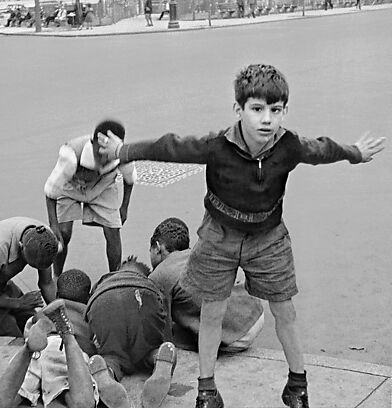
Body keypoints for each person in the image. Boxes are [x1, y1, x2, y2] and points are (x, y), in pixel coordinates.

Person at [97, 63, 385, 408]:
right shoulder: (216, 146)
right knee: (212, 311)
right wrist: (121, 151)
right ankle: (206, 391)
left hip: (268, 236)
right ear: (239, 110)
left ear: (285, 112)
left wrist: (355, 153)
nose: (267, 119)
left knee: (285, 310)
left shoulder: (289, 145)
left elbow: (322, 150)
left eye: (275, 111)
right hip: (220, 235)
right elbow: (169, 147)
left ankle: (297, 386)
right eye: (257, 109)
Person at [148, 218, 264, 353]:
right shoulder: (197, 253)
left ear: (157, 247)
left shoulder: (159, 275)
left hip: (236, 337)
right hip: (256, 314)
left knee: (167, 333)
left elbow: (162, 330)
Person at [0, 270, 98, 408]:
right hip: (70, 353)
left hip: (42, 348)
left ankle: (28, 350)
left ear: (57, 295)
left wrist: (31, 340)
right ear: (88, 298)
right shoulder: (88, 315)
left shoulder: (44, 312)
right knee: (81, 403)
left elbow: (27, 329)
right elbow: (97, 345)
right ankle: (67, 335)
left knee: (1, 403)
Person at [45, 120, 136, 277]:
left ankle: (114, 279)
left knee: (113, 230)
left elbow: (130, 180)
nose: (102, 159)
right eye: (99, 153)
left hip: (103, 186)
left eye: (107, 154)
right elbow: (50, 191)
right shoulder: (70, 155)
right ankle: (56, 277)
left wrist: (124, 207)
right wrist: (54, 225)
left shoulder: (122, 154)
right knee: (63, 233)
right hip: (71, 187)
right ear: (92, 143)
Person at [85, 256, 177, 408]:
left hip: (103, 302)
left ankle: (106, 371)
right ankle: (158, 358)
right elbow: (166, 326)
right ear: (143, 274)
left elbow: (90, 325)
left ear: (118, 270)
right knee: (152, 348)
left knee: (111, 356)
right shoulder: (150, 283)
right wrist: (166, 342)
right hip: (142, 297)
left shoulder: (103, 281)